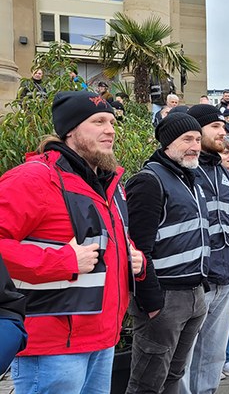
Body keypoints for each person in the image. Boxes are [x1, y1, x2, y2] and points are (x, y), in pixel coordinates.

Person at [0, 92, 143, 394]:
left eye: (112, 122)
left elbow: (113, 242)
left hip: (103, 338)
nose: (110, 129)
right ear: (70, 130)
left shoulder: (110, 184)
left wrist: (136, 261)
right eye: (98, 122)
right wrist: (61, 262)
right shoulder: (33, 178)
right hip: (52, 347)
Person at [125, 113, 210, 393]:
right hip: (165, 298)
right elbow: (137, 248)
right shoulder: (150, 180)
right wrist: (152, 303)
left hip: (194, 293)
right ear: (167, 143)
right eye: (187, 139)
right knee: (147, 383)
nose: (195, 146)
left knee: (174, 375)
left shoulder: (190, 178)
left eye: (198, 139)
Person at [182, 105, 229, 392]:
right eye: (215, 126)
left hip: (227, 275)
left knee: (214, 355)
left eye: (223, 126)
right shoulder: (183, 170)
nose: (223, 132)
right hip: (196, 280)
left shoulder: (223, 172)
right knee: (184, 358)